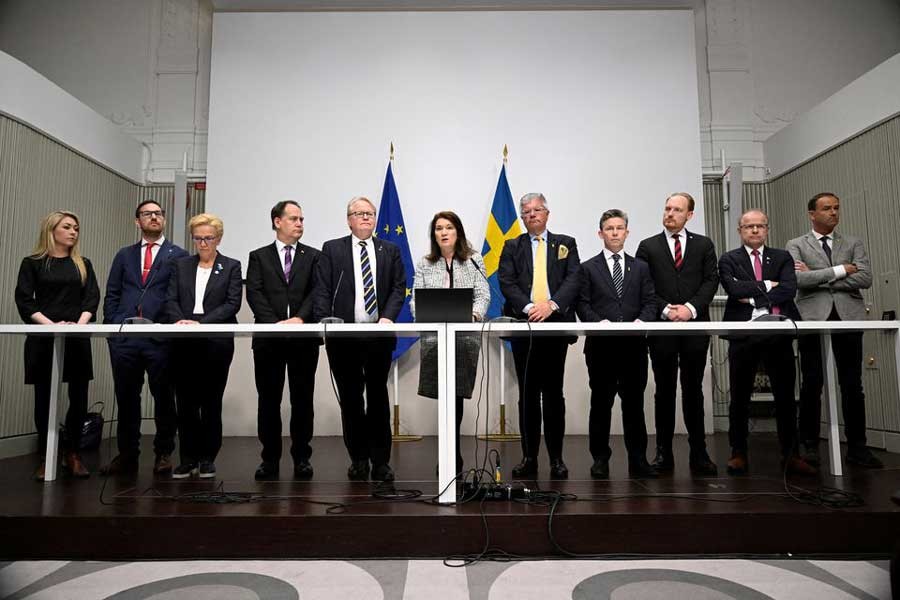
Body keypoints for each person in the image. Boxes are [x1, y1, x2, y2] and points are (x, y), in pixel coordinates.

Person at [313, 197, 407, 482]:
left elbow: (398, 287)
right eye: (359, 213)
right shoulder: (332, 249)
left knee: (378, 398)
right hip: (344, 338)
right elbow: (322, 288)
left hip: (378, 336)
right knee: (351, 399)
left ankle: (381, 462)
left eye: (370, 213)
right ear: (349, 220)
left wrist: (388, 317)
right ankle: (358, 459)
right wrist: (325, 319)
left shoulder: (389, 250)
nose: (366, 217)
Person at [786, 192, 882, 469]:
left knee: (852, 384)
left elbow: (865, 278)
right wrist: (841, 270)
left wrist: (820, 278)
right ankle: (809, 445)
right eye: (827, 208)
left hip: (848, 318)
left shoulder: (853, 242)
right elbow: (798, 279)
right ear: (812, 214)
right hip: (812, 318)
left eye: (836, 208)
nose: (834, 213)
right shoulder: (796, 244)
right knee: (811, 383)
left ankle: (858, 447)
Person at [719, 209, 816, 476]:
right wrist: (769, 285)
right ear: (740, 230)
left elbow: (788, 289)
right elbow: (733, 289)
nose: (754, 230)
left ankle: (791, 454)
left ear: (767, 229)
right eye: (749, 226)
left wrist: (753, 296)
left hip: (778, 334)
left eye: (760, 226)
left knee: (785, 398)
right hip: (743, 335)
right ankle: (738, 453)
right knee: (739, 397)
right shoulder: (729, 259)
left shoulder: (782, 257)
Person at [101, 200, 187, 476]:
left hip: (160, 337)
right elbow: (112, 292)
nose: (154, 217)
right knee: (127, 397)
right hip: (125, 337)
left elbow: (180, 294)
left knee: (164, 397)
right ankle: (127, 454)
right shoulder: (124, 255)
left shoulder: (179, 255)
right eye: (148, 214)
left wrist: (170, 327)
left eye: (158, 213)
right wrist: (112, 326)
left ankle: (164, 453)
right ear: (137, 221)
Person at [498, 192, 581, 479]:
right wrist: (531, 308)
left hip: (556, 328)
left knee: (554, 394)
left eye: (537, 210)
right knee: (528, 395)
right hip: (524, 328)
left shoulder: (566, 243)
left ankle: (557, 459)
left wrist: (551, 305)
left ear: (547, 213)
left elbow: (574, 278)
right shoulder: (512, 246)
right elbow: (506, 281)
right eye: (526, 211)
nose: (532, 215)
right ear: (522, 217)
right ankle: (529, 458)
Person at [635, 192, 718, 476]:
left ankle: (699, 453)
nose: (670, 213)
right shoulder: (648, 246)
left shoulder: (704, 245)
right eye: (667, 208)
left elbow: (711, 281)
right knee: (664, 391)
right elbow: (643, 285)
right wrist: (667, 310)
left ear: (689, 215)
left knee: (693, 390)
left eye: (677, 209)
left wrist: (690, 309)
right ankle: (663, 453)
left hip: (695, 327)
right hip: (662, 329)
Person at [14, 211, 100, 480]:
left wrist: (78, 325)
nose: (74, 232)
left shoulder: (83, 264)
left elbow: (91, 299)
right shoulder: (33, 263)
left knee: (79, 396)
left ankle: (73, 453)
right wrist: (51, 325)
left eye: (76, 228)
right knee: (43, 397)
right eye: (67, 227)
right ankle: (46, 454)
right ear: (52, 230)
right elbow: (25, 301)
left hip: (76, 337)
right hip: (43, 337)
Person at [577, 209, 657, 479]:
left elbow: (650, 302)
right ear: (600, 233)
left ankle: (638, 460)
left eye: (619, 228)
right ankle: (600, 459)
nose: (614, 233)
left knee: (634, 406)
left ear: (627, 232)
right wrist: (598, 323)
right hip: (601, 348)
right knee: (601, 405)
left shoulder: (641, 267)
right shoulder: (588, 267)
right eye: (609, 228)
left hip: (634, 348)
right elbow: (582, 304)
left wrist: (641, 322)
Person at [246, 200, 322, 480]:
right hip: (269, 340)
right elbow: (254, 293)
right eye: (293, 218)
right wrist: (274, 324)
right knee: (268, 401)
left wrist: (300, 318)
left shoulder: (314, 256)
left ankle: (302, 457)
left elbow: (317, 292)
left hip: (304, 340)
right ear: (277, 222)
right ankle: (269, 460)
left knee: (302, 401)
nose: (300, 223)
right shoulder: (259, 256)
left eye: (301, 219)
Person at [410, 211, 490, 474]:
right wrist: (422, 314)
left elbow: (483, 295)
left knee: (457, 397)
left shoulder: (474, 260)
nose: (443, 232)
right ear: (434, 234)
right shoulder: (425, 263)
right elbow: (415, 300)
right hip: (435, 338)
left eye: (449, 227)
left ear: (458, 232)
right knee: (443, 397)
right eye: (438, 228)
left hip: (464, 338)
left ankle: (453, 454)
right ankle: (447, 454)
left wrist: (474, 315)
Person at [166, 213, 242, 479]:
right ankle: (188, 458)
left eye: (208, 238)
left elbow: (232, 304)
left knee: (211, 401)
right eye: (198, 238)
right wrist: (181, 320)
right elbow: (170, 299)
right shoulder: (181, 265)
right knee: (185, 402)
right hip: (184, 340)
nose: (203, 243)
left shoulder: (231, 266)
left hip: (215, 342)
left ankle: (208, 458)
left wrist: (201, 323)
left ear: (218, 238)